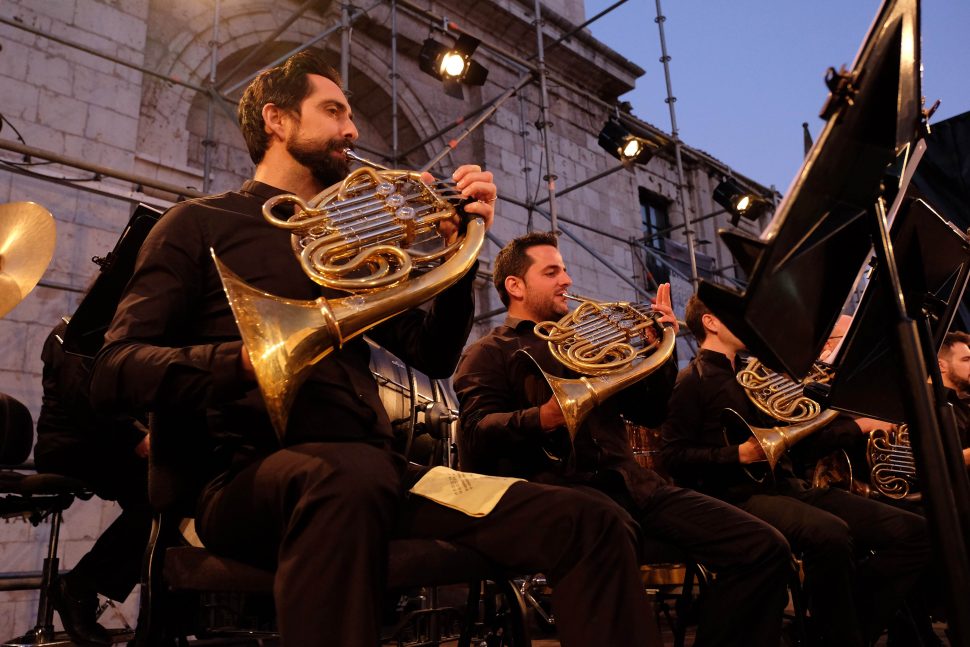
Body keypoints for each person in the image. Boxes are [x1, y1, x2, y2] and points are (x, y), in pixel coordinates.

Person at [89, 50, 659, 646]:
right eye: (333, 111)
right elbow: (113, 370)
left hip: (381, 472)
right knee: (347, 476)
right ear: (277, 121)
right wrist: (247, 359)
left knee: (591, 520)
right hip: (243, 479)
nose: (352, 130)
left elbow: (432, 356)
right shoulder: (196, 225)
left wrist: (459, 252)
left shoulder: (348, 239)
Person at [454, 232, 793, 647]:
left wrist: (659, 356)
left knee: (764, 546)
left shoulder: (585, 341)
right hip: (563, 488)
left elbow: (650, 413)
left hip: (635, 486)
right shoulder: (488, 353)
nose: (568, 280)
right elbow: (475, 432)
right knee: (608, 526)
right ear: (515, 286)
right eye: (552, 271)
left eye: (565, 269)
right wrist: (539, 418)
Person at [661, 294, 931, 647]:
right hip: (739, 496)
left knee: (915, 532)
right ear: (710, 322)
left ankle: (837, 630)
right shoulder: (692, 380)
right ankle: (839, 634)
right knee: (831, 534)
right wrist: (735, 455)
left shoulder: (754, 376)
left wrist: (852, 423)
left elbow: (801, 442)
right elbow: (674, 456)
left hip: (789, 487)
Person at [34, 319, 152, 646]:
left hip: (100, 444)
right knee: (157, 501)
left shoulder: (115, 337)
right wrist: (136, 435)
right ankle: (78, 589)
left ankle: (154, 626)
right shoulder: (72, 332)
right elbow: (82, 401)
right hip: (68, 446)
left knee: (166, 501)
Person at [937, 330, 970, 467]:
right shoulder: (923, 404)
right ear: (941, 365)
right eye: (966, 360)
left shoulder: (962, 405)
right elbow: (934, 465)